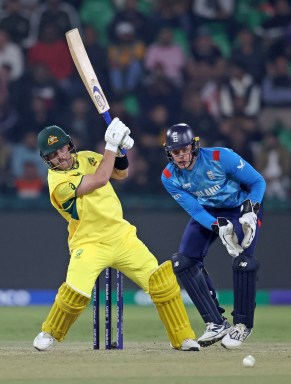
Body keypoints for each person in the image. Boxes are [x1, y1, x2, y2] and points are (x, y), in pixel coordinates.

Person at [33, 118, 200, 352]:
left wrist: (120, 149)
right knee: (75, 294)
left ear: (68, 145)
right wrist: (110, 145)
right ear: (46, 160)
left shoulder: (88, 157)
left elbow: (120, 173)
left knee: (162, 283)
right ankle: (49, 332)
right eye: (52, 155)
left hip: (122, 236)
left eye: (61, 149)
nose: (60, 157)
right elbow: (100, 179)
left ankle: (183, 338)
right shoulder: (57, 183)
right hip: (89, 242)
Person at [161, 123, 266, 349]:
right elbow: (196, 210)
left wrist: (251, 209)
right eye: (175, 152)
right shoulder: (169, 176)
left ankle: (242, 325)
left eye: (184, 150)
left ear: (194, 146)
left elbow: (258, 182)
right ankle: (216, 322)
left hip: (241, 208)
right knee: (183, 261)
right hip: (209, 212)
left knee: (244, 262)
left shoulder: (221, 157)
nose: (180, 156)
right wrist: (218, 227)